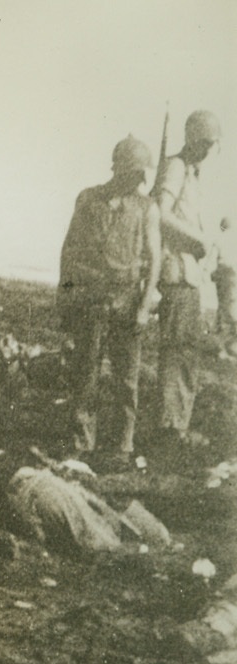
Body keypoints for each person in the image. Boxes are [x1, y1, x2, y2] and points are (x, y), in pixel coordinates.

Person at [57, 135, 161, 467]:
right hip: (91, 301)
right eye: (132, 172)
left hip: (128, 302)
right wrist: (65, 296)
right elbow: (70, 250)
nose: (137, 180)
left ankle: (121, 447)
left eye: (140, 175)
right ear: (118, 168)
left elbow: (154, 258)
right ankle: (81, 444)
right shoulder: (88, 199)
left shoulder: (147, 208)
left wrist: (144, 307)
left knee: (126, 379)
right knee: (85, 374)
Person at [155, 109, 222, 448]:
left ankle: (176, 424)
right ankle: (171, 430)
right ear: (199, 141)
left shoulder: (191, 173)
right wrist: (198, 241)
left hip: (190, 277)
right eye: (209, 143)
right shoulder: (177, 167)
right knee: (178, 352)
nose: (211, 150)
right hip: (177, 274)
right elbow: (161, 215)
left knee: (186, 352)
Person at [212, 217, 235, 337]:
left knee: (221, 299)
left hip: (221, 271)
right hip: (231, 272)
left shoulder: (219, 238)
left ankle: (221, 326)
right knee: (230, 299)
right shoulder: (233, 238)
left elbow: (213, 256)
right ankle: (227, 326)